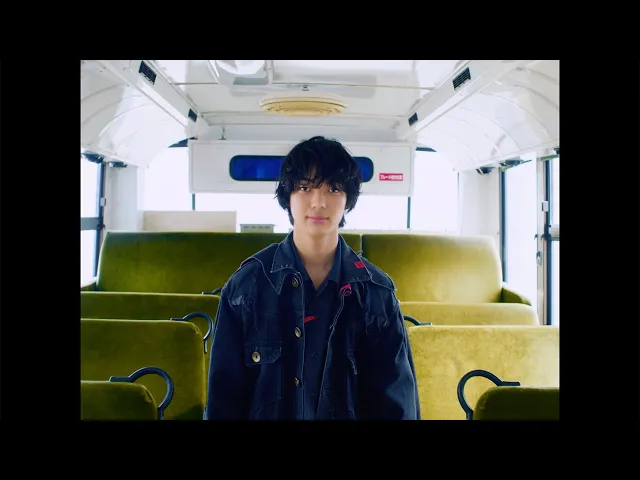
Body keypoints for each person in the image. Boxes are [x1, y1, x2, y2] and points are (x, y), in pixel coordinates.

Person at [204, 136, 420, 420]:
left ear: (348, 200)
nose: (319, 202)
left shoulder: (376, 293)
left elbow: (397, 404)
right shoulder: (245, 287)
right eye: (305, 188)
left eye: (333, 189)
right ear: (288, 197)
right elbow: (223, 401)